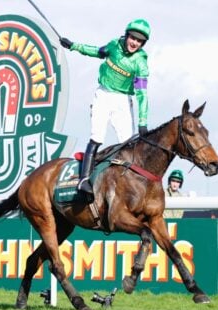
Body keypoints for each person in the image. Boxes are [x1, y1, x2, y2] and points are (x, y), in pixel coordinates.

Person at [60, 19, 151, 195]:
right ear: (127, 35)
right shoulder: (113, 46)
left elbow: (142, 94)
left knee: (129, 142)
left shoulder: (141, 63)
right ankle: (84, 179)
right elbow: (97, 51)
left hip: (123, 100)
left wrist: (142, 121)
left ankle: (130, 183)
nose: (134, 43)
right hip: (103, 96)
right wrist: (73, 46)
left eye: (139, 41)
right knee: (97, 136)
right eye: (133, 38)